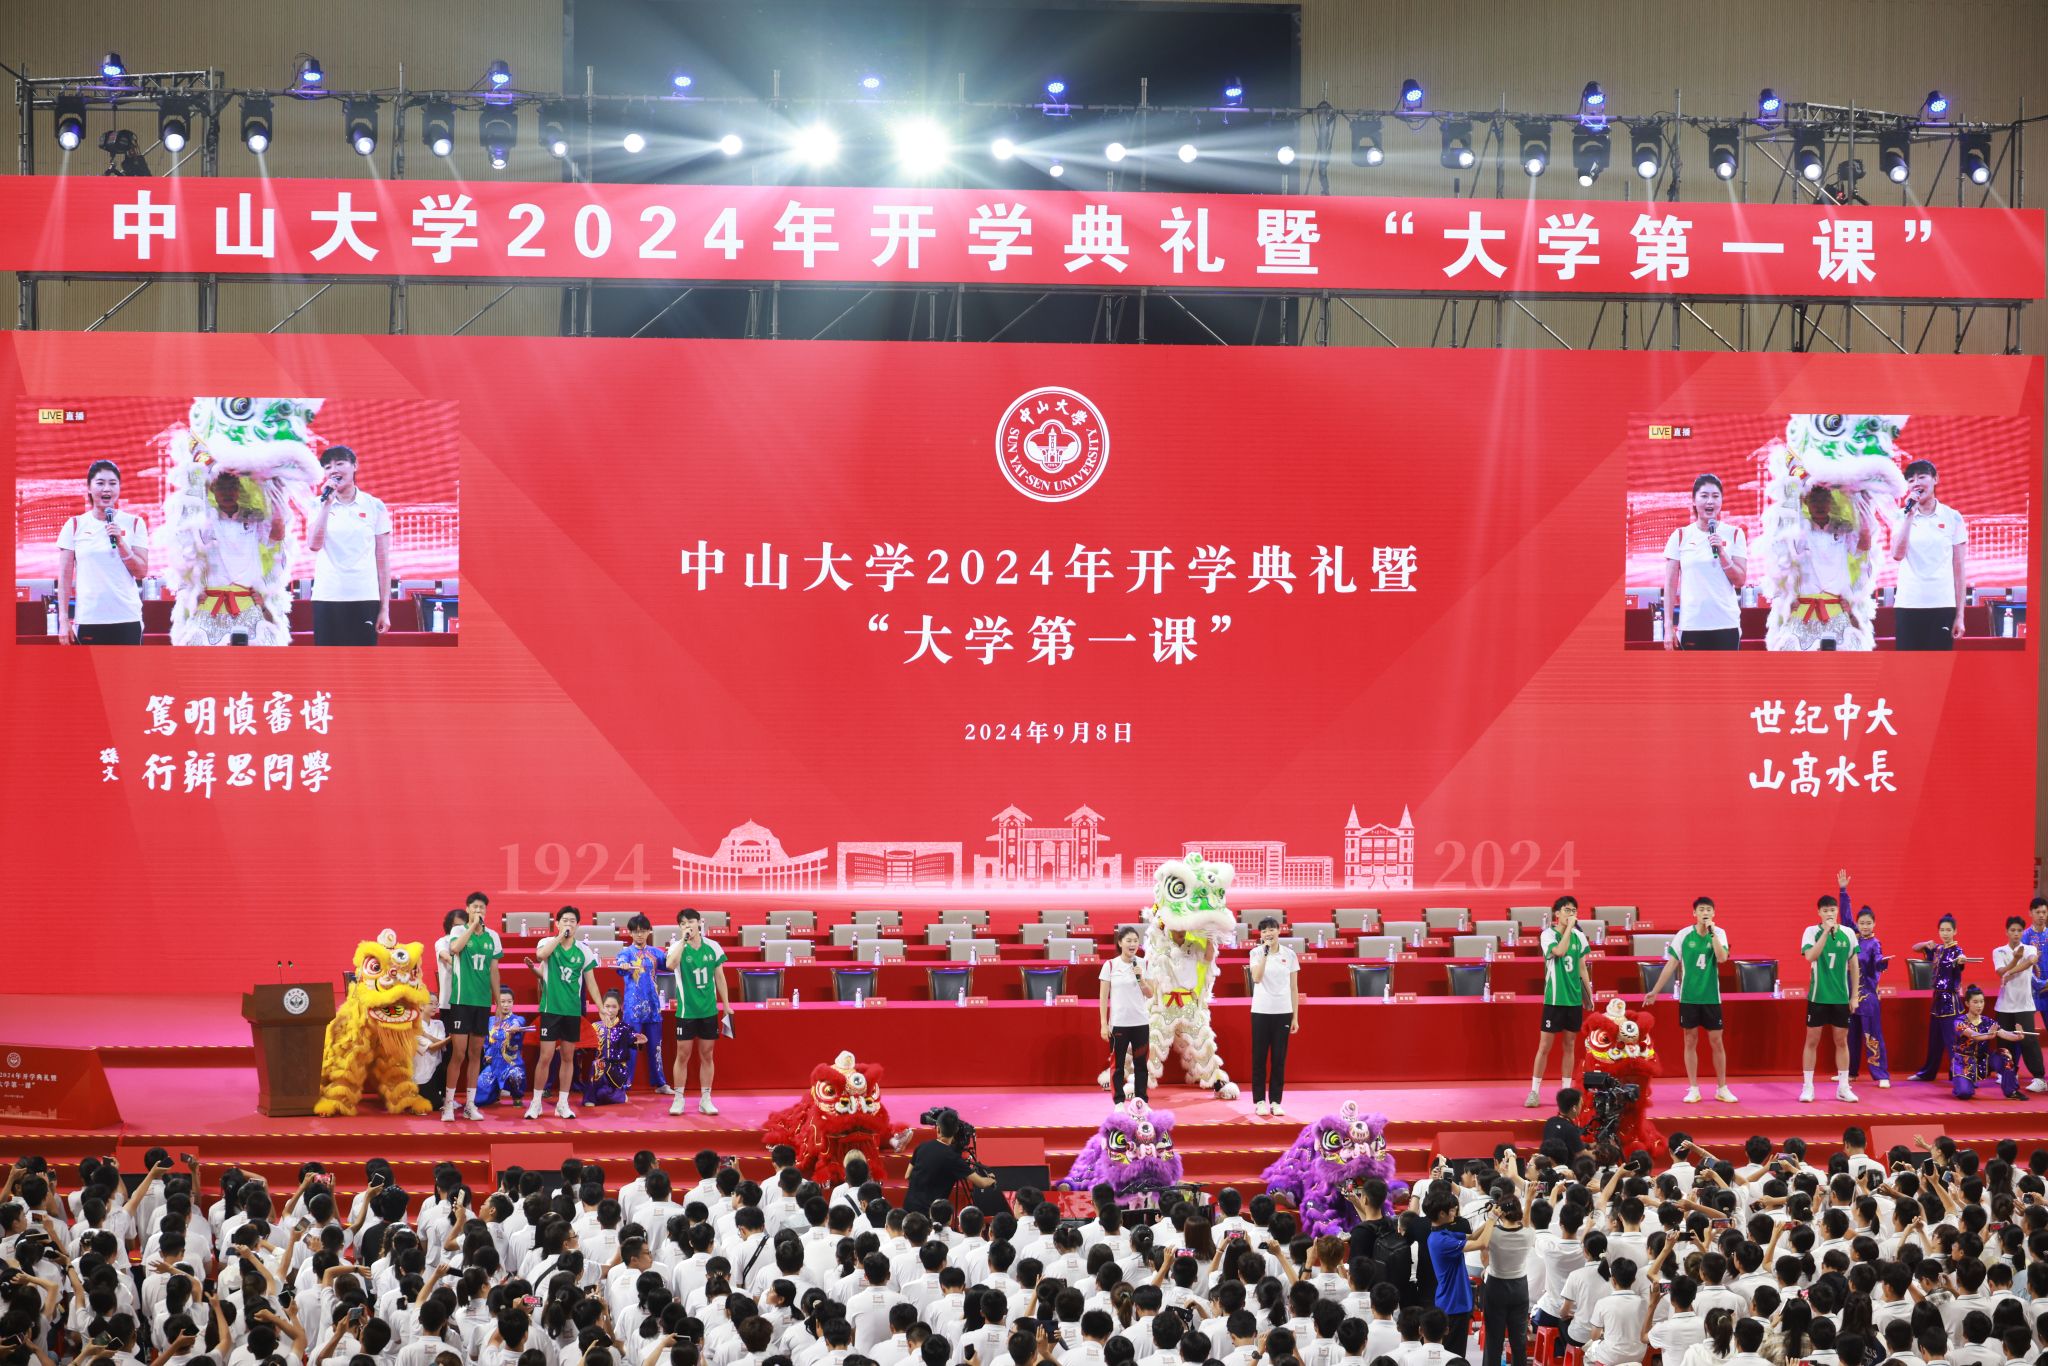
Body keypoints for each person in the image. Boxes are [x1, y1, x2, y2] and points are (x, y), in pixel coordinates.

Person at [1642, 896, 1736, 1103]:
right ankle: (1693, 1088)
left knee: (1716, 1041)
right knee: (1690, 1040)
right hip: (1689, 997)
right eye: (1701, 909)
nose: (1705, 913)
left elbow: (1722, 958)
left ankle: (1722, 1088)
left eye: (1709, 910)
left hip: (1711, 997)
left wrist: (1712, 933)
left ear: (1714, 913)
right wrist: (1655, 990)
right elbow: (1671, 964)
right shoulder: (1684, 935)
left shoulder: (1719, 933)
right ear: (1694, 913)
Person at [55, 459, 148, 645]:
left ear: (119, 487)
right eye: (100, 483)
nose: (107, 489)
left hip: (127, 618)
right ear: (89, 488)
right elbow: (64, 578)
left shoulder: (135, 523)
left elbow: (141, 572)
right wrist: (63, 620)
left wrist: (121, 543)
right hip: (89, 619)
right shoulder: (74, 525)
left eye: (113, 483)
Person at [306, 445, 391, 646]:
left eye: (340, 463)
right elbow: (314, 545)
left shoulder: (375, 505)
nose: (333, 470)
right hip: (327, 596)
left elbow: (383, 562)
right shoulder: (317, 504)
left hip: (364, 596)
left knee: (362, 661)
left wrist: (384, 609)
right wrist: (327, 505)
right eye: (327, 467)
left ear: (355, 466)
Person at [526, 905, 603, 1121]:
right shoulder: (547, 943)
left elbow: (591, 982)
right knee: (546, 1056)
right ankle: (536, 1103)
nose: (569, 924)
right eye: (565, 920)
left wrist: (600, 1006)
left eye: (572, 921)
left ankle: (562, 1103)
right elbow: (541, 955)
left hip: (572, 1011)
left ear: (578, 925)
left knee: (568, 1057)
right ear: (557, 923)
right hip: (550, 1009)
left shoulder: (583, 951)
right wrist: (560, 937)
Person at [1889, 458, 1968, 650]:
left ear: (1935, 479)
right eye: (1911, 480)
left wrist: (1960, 616)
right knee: (1908, 665)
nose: (1916, 483)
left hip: (1942, 604)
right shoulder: (1900, 516)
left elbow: (1959, 571)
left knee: (1938, 664)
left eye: (1922, 477)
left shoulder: (1953, 517)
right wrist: (1909, 516)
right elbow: (1897, 554)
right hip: (1908, 604)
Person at [1662, 474, 1748, 650]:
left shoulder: (1734, 534)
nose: (1710, 501)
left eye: (1715, 496)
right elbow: (1670, 586)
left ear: (1721, 500)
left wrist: (1722, 553)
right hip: (1692, 625)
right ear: (1694, 501)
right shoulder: (1680, 536)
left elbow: (1740, 580)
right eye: (1704, 496)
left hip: (1726, 625)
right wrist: (1668, 626)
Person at [438, 892, 501, 1123]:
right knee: (459, 1053)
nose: (479, 910)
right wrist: (472, 926)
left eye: (482, 907)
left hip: (482, 1003)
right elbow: (455, 949)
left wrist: (497, 1000)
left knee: (476, 1054)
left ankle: (470, 1105)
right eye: (475, 907)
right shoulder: (458, 930)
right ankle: (448, 1104)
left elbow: (494, 970)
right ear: (468, 909)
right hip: (461, 1000)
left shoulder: (493, 936)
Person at [1526, 897, 1592, 1108]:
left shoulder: (1579, 937)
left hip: (1574, 999)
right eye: (1566, 910)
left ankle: (1566, 1093)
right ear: (1557, 913)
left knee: (1570, 1045)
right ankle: (1534, 1092)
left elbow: (1582, 968)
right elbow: (1559, 952)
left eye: (1573, 910)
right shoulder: (1547, 935)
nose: (1570, 914)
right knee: (1544, 1046)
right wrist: (1569, 928)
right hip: (1554, 998)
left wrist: (1589, 995)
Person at [665, 907, 730, 1117]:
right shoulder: (677, 947)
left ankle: (706, 1098)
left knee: (707, 1054)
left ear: (699, 922)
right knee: (682, 1054)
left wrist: (726, 1004)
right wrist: (683, 942)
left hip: (708, 1009)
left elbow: (719, 977)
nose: (688, 926)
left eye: (691, 922)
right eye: (683, 923)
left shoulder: (713, 947)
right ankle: (678, 1098)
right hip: (686, 1011)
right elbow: (670, 965)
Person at [1799, 883, 1860, 1103]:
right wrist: (1825, 932)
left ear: (1837, 911)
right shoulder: (1811, 932)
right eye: (1825, 910)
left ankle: (1843, 1088)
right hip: (1818, 996)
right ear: (1819, 912)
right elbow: (1811, 956)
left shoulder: (1848, 933)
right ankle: (1808, 1087)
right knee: (1812, 1040)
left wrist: (1854, 996)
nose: (1829, 913)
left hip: (1840, 997)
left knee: (1841, 1041)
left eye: (1832, 910)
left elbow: (1854, 965)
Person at [1248, 918, 1301, 1118]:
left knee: (1279, 1059)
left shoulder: (1290, 955)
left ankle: (1276, 1101)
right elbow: (1256, 978)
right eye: (1263, 931)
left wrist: (1295, 1017)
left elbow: (1294, 988)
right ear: (1260, 935)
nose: (1268, 934)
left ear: (1279, 931)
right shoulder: (1255, 953)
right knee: (1259, 1058)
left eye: (1271, 929)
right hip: (1261, 1011)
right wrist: (1265, 953)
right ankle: (1260, 1101)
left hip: (1283, 1012)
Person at [1842, 876, 1891, 1090]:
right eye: (1861, 923)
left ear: (1874, 924)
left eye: (1868, 923)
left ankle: (1881, 1074)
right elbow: (1845, 918)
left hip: (1868, 997)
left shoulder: (1874, 943)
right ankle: (1850, 1073)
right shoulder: (1853, 938)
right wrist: (1843, 892)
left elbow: (1878, 961)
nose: (1864, 926)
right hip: (1850, 995)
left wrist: (1882, 963)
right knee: (1850, 1037)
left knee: (1872, 1036)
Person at [614, 914, 671, 1096]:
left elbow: (670, 964)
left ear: (649, 932)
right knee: (630, 1047)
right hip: (633, 1009)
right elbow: (620, 964)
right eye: (636, 931)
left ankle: (660, 1083)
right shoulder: (626, 953)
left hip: (653, 1007)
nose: (639, 934)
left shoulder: (656, 953)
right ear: (630, 933)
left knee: (656, 1047)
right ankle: (624, 1084)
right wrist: (623, 965)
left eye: (643, 931)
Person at [902, 1111, 996, 1218]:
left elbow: (907, 1175)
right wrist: (991, 1179)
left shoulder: (922, 1146)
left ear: (938, 1129)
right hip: (930, 1216)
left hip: (908, 1210)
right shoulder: (954, 1159)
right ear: (956, 1131)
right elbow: (981, 1183)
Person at [1990, 916, 2047, 1092]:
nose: (2016, 933)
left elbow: (2030, 962)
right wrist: (2014, 960)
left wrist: (2011, 971)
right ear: (2006, 932)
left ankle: (2039, 1078)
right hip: (2004, 1005)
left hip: (2024, 1005)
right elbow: (2001, 972)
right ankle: (2008, 1073)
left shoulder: (2030, 948)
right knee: (2004, 1041)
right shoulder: (1998, 951)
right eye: (2013, 930)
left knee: (2028, 1041)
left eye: (2019, 930)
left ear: (2023, 932)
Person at [1099, 927, 1155, 1104]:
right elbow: (1103, 997)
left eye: (1135, 941)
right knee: (1118, 1066)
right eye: (1129, 940)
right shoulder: (1110, 965)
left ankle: (1141, 1101)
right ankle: (1118, 1102)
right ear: (1120, 942)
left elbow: (1150, 993)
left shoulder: (1144, 964)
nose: (1132, 944)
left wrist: (1141, 979)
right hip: (1119, 1024)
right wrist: (1103, 1024)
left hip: (1140, 1022)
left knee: (1141, 1065)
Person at [1911, 915, 1969, 1082]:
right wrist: (1926, 943)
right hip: (1937, 1001)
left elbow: (1962, 961)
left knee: (1953, 1041)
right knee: (1934, 1041)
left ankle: (1960, 1076)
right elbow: (1915, 948)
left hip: (1950, 1002)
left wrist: (1961, 960)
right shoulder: (1937, 949)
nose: (1945, 933)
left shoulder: (1958, 951)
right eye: (1942, 930)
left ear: (1955, 931)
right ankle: (1928, 1073)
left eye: (1948, 930)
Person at [1950, 986, 2028, 1101]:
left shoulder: (1988, 1021)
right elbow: (1973, 1035)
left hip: (1983, 1061)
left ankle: (2011, 1091)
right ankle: (1962, 1082)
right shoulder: (1959, 1022)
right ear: (1967, 1003)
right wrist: (1988, 1036)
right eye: (1975, 1002)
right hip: (1964, 1062)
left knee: (2004, 1054)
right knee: (1964, 1093)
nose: (1979, 1005)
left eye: (1982, 1001)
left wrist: (2018, 1036)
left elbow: (2004, 1033)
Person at [582, 991, 646, 1108]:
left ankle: (616, 1096)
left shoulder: (625, 1028)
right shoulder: (595, 1026)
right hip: (599, 1071)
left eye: (614, 1007)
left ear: (620, 1007)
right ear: (602, 1007)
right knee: (598, 1071)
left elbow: (634, 1043)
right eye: (607, 1006)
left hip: (617, 1069)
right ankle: (593, 1097)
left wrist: (640, 1042)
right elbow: (586, 1046)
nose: (610, 1010)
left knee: (598, 1069)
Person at [1539, 1088, 1586, 1160]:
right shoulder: (1570, 1129)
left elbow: (1570, 1140)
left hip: (1547, 1163)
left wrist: (1587, 1145)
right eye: (1580, 1104)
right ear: (1574, 1108)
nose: (1581, 1106)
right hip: (1564, 1166)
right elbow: (1582, 1155)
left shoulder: (1550, 1122)